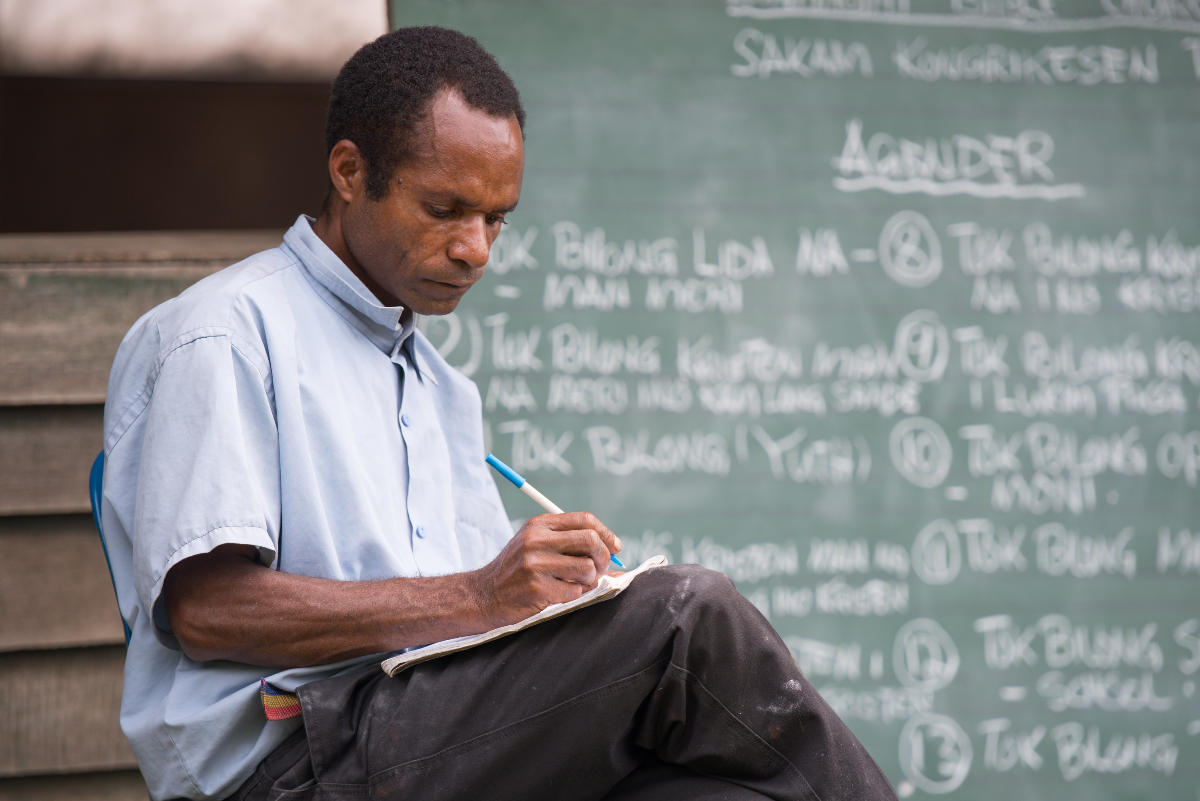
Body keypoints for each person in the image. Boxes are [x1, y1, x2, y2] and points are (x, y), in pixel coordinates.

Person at [101, 26, 897, 801]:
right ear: (349, 171)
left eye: (496, 218)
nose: (476, 248)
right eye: (445, 208)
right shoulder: (225, 333)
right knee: (686, 619)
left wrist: (562, 608)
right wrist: (481, 594)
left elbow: (474, 624)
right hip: (297, 762)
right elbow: (204, 610)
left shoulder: (441, 387)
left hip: (431, 736)